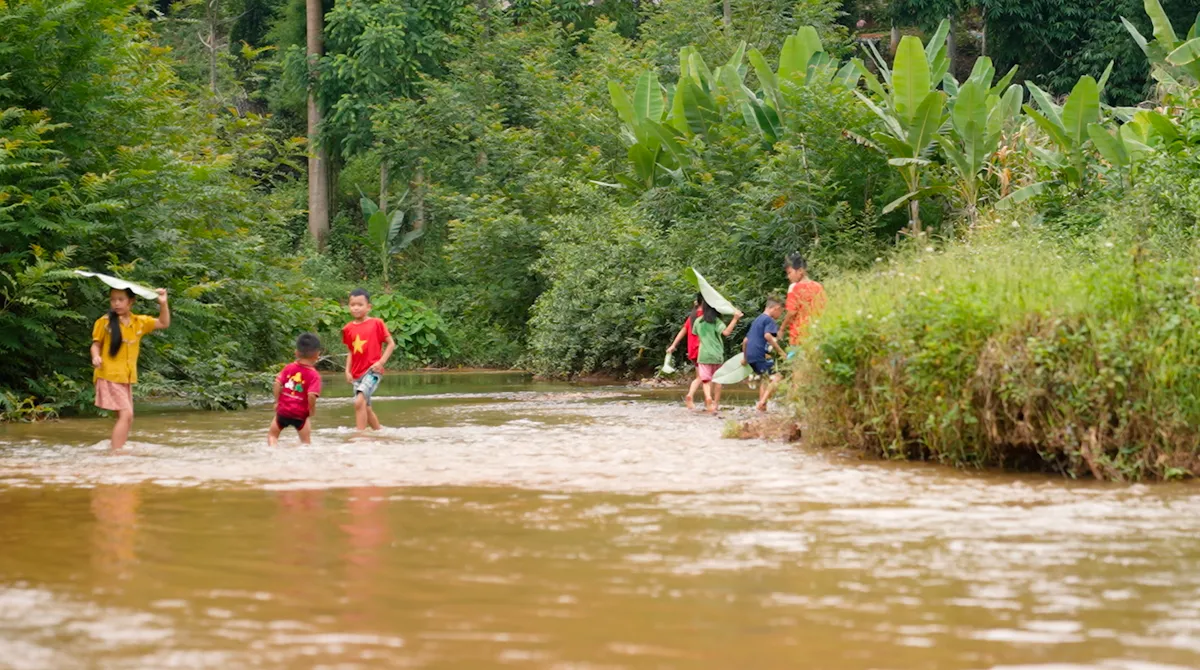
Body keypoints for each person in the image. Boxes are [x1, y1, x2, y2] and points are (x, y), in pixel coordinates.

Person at [90, 287, 170, 449]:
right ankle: (116, 453)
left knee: (126, 417)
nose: (116, 303)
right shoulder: (104, 322)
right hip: (109, 373)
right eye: (113, 300)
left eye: (120, 299)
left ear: (131, 301)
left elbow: (163, 323)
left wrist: (163, 303)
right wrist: (95, 356)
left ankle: (117, 448)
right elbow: (95, 344)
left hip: (126, 376)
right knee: (127, 414)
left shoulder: (139, 322)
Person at [342, 288, 396, 431]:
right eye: (352, 304)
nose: (356, 308)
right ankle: (379, 432)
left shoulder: (377, 323)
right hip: (356, 374)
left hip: (372, 371)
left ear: (368, 307)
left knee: (359, 402)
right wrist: (347, 370)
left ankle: (360, 436)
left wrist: (381, 362)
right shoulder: (347, 329)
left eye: (360, 304)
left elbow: (391, 343)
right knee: (365, 407)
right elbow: (350, 351)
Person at [268, 333, 323, 446]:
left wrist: (277, 402)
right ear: (317, 354)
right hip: (301, 415)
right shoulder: (314, 375)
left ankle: (273, 453)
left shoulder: (289, 368)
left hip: (283, 412)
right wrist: (311, 409)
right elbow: (311, 395)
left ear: (296, 352)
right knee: (306, 443)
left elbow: (277, 383)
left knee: (272, 436)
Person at [692, 299, 743, 414]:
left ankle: (708, 398)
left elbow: (696, 335)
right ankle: (716, 403)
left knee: (706, 380)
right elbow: (726, 333)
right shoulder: (716, 321)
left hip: (703, 354)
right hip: (717, 354)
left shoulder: (698, 321)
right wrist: (735, 319)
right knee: (718, 379)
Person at [742, 297, 787, 412]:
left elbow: (745, 341)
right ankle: (761, 403)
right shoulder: (769, 320)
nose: (779, 315)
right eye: (780, 312)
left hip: (751, 355)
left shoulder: (757, 320)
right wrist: (781, 352)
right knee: (778, 376)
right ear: (776, 308)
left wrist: (745, 357)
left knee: (765, 379)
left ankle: (762, 408)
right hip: (760, 354)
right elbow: (768, 336)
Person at [666, 294, 704, 409]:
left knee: (701, 376)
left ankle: (694, 397)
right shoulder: (704, 316)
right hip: (702, 349)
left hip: (693, 349)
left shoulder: (692, 316)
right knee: (704, 377)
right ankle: (694, 396)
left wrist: (673, 345)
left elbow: (683, 331)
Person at [781, 253, 826, 347]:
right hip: (816, 334)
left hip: (798, 336)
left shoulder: (795, 288)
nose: (788, 276)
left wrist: (782, 328)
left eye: (789, 273)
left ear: (800, 271)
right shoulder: (818, 286)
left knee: (794, 361)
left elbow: (791, 312)